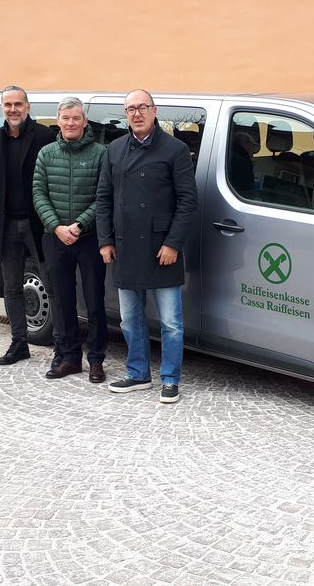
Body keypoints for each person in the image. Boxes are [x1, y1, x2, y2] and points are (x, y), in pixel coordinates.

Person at [96, 90, 197, 403]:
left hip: (161, 249)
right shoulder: (114, 149)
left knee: (171, 323)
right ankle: (138, 373)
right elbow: (103, 198)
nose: (136, 113)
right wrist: (105, 240)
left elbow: (187, 201)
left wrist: (173, 243)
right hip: (125, 247)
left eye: (142, 107)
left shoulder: (175, 149)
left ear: (155, 111)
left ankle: (170, 379)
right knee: (130, 319)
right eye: (130, 109)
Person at [32, 97, 108, 382]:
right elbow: (39, 193)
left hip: (89, 238)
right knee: (61, 300)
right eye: (66, 118)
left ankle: (96, 359)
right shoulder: (46, 154)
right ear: (58, 121)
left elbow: (104, 196)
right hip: (55, 238)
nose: (71, 123)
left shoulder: (101, 154)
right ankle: (68, 357)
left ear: (85, 121)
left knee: (94, 300)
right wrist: (56, 227)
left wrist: (79, 224)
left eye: (76, 118)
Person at [0, 86, 54, 366]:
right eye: (8, 105)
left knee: (52, 284)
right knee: (12, 287)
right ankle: (19, 343)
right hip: (8, 224)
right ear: (3, 108)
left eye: (18, 104)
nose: (13, 109)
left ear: (28, 107)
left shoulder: (45, 136)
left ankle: (62, 345)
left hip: (39, 224)